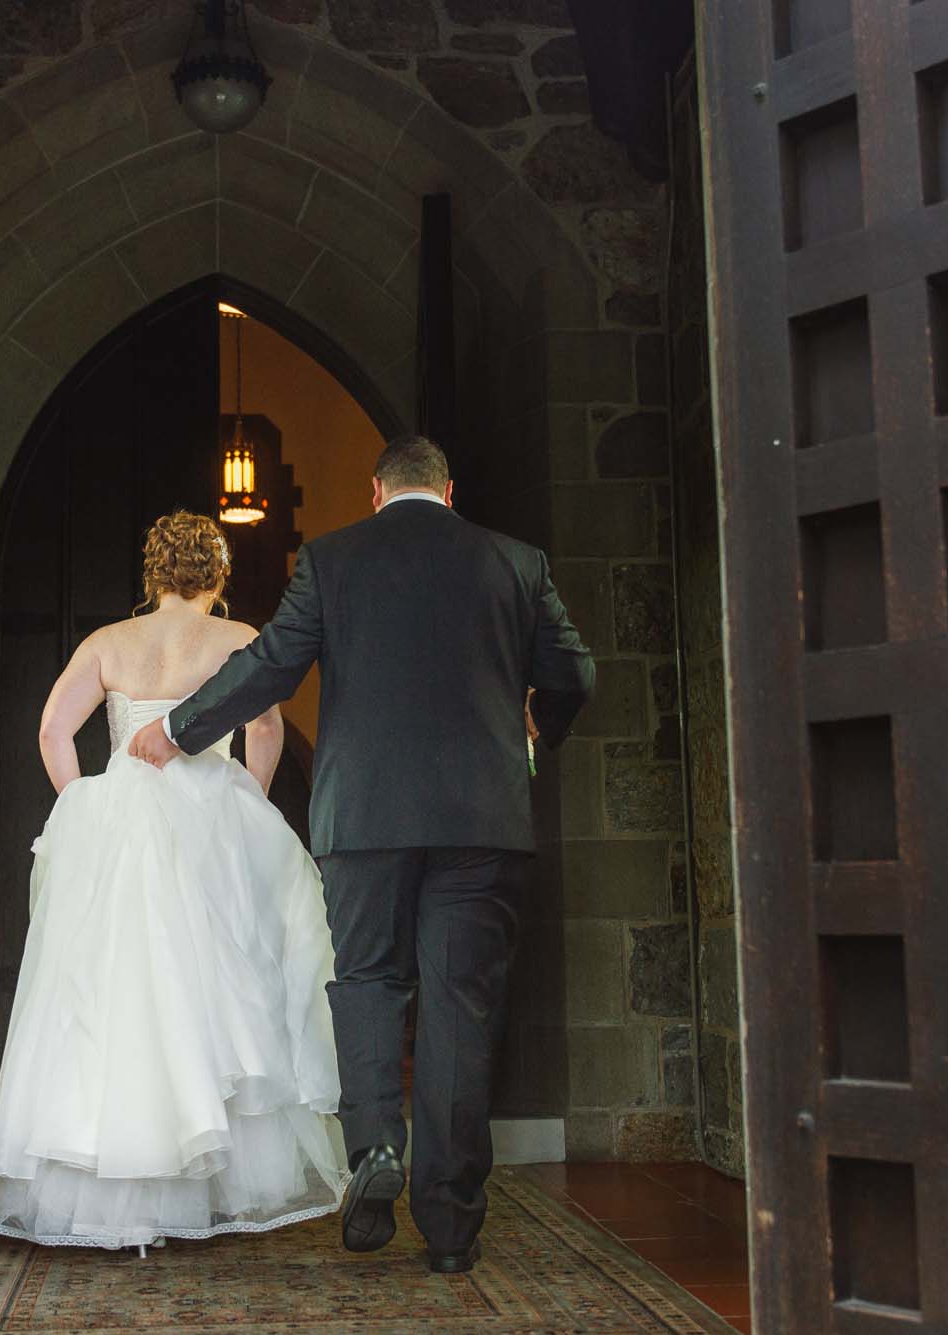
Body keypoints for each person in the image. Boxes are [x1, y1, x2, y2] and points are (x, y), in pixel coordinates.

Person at [130, 435, 594, 1273]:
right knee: (458, 1008)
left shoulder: (332, 559)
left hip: (367, 818)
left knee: (370, 983)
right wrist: (540, 721)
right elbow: (575, 672)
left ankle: (377, 1149)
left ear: (376, 491)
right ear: (448, 490)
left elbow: (271, 666)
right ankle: (450, 1227)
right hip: (480, 823)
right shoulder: (515, 562)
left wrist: (176, 727)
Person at [0, 511, 348, 1253]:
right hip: (204, 813)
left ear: (152, 576)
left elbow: (54, 729)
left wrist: (81, 800)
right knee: (212, 987)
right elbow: (268, 727)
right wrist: (246, 796)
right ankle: (210, 1172)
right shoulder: (236, 639)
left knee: (115, 993)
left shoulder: (109, 642)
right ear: (217, 577)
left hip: (119, 819)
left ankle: (110, 1175)